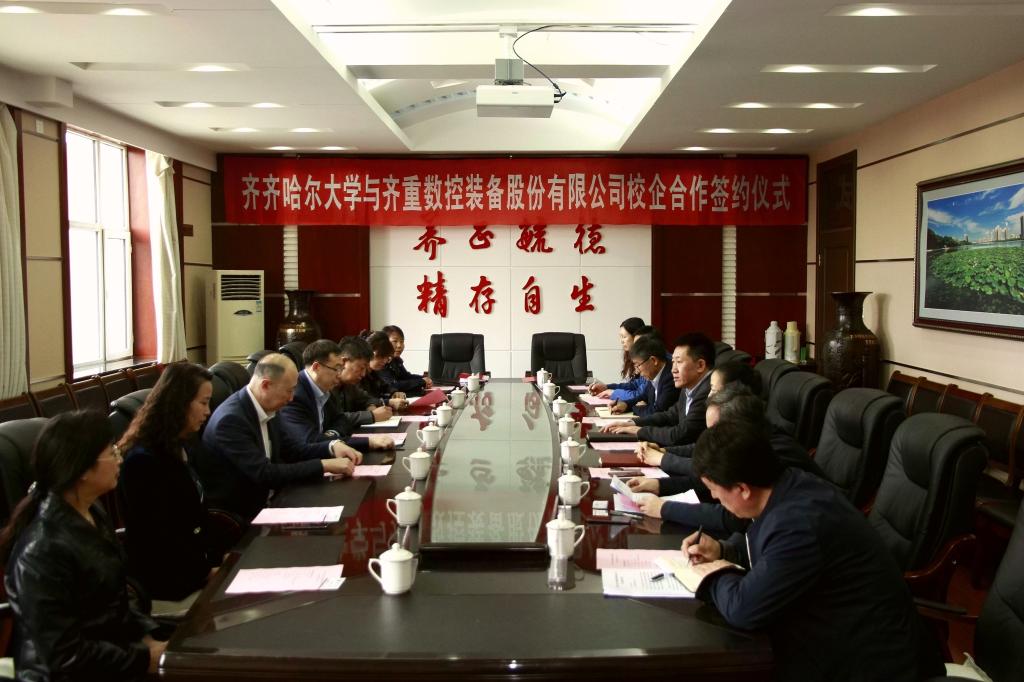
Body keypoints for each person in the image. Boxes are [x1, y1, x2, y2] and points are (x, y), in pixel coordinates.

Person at [681, 420, 943, 682]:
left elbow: (744, 609)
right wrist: (723, 550)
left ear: (742, 489)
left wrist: (711, 575)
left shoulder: (798, 523)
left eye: (714, 489)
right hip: (837, 636)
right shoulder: (789, 485)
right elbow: (772, 551)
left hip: (872, 664)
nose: (714, 497)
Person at [1, 411, 167, 680]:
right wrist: (143, 658)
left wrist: (147, 637)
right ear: (81, 469)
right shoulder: (42, 550)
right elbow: (64, 655)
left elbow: (115, 598)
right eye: (112, 453)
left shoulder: (92, 511)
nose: (120, 459)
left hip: (112, 653)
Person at [628, 386, 825, 535]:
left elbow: (737, 519)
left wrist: (664, 508)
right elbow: (718, 482)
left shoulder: (774, 454)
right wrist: (661, 485)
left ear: (737, 427)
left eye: (715, 431)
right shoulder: (751, 441)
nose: (711, 438)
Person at [198, 353, 360, 522]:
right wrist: (323, 465)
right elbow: (264, 473)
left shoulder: (267, 406)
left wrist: (332, 447)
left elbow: (293, 450)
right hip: (245, 515)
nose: (291, 398)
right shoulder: (231, 421)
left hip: (275, 498)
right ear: (266, 385)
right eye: (289, 391)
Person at [118, 363, 224, 601]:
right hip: (171, 584)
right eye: (203, 403)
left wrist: (218, 562)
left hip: (198, 570)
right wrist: (206, 572)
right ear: (180, 403)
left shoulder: (179, 444)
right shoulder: (142, 461)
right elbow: (160, 539)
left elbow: (197, 517)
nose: (208, 411)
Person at [636, 360, 762, 472]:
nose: (709, 395)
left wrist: (662, 458)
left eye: (713, 389)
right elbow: (704, 447)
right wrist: (663, 450)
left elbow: (712, 470)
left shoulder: (746, 437)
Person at [278, 339, 394, 454]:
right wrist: (367, 442)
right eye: (336, 369)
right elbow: (310, 441)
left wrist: (331, 434)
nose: (339, 374)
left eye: (341, 369)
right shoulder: (295, 395)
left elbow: (341, 420)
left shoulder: (325, 388)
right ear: (316, 367)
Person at [603, 332, 714, 446]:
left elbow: (681, 435)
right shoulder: (689, 387)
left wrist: (641, 431)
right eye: (673, 362)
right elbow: (670, 415)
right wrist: (632, 423)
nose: (673, 369)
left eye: (679, 362)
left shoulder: (708, 392)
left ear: (700, 365)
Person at [329, 336, 394, 430]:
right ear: (344, 362)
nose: (363, 374)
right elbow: (334, 418)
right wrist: (372, 415)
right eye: (361, 368)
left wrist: (370, 406)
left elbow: (368, 399)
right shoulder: (326, 385)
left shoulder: (349, 385)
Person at [611, 336, 679, 417]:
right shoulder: (654, 374)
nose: (637, 371)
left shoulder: (671, 377)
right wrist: (626, 404)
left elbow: (658, 412)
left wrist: (636, 408)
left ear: (654, 360)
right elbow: (644, 396)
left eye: (638, 365)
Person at [587, 317, 648, 403]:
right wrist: (606, 387)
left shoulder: (648, 359)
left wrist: (613, 393)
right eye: (620, 337)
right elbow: (634, 385)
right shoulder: (636, 356)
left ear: (636, 337)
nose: (621, 341)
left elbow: (640, 394)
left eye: (624, 337)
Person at [360, 331, 408, 411]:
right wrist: (389, 402)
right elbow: (364, 400)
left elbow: (385, 386)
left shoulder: (373, 372)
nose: (385, 361)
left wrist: (394, 392)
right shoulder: (357, 375)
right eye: (381, 357)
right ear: (369, 353)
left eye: (387, 358)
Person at [378, 324, 432, 395]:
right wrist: (421, 381)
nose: (399, 345)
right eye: (395, 341)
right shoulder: (380, 362)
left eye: (402, 341)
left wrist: (426, 378)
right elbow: (392, 385)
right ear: (384, 343)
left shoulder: (395, 360)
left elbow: (406, 377)